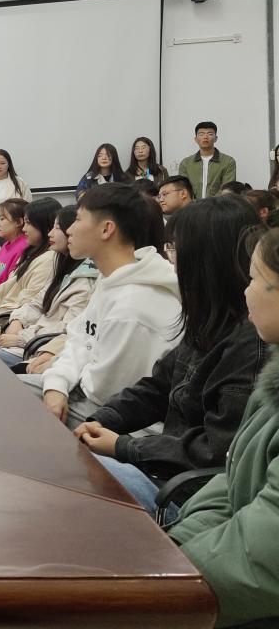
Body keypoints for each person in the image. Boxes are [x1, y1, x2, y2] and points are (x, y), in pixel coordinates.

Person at [73, 196, 266, 521]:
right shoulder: (209, 320)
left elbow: (216, 450)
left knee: (74, 476)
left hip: (187, 495)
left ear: (205, 259)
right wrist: (105, 419)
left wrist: (124, 447)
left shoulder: (250, 345)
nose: (171, 261)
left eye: (176, 250)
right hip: (163, 469)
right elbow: (157, 386)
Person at [168, 225, 279, 628]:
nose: (246, 291)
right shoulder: (272, 379)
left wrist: (159, 581)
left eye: (255, 279)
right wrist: (174, 547)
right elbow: (233, 483)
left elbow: (261, 557)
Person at [19, 183, 182, 428]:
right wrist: (57, 384)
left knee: (11, 400)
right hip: (92, 394)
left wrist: (57, 379)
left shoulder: (133, 305)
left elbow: (103, 391)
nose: (69, 230)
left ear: (106, 229)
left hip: (123, 420)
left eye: (77, 220)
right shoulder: (113, 278)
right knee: (6, 389)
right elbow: (79, 338)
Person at [0, 205, 99, 368]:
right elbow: (36, 302)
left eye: (57, 228)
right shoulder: (62, 267)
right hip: (31, 338)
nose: (50, 233)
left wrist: (21, 337)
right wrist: (18, 320)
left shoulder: (85, 278)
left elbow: (68, 329)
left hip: (39, 346)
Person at [0, 197, 61, 330]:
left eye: (28, 223)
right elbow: (3, 288)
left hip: (6, 322)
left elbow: (24, 303)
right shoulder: (29, 252)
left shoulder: (47, 260)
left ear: (44, 226)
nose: (24, 229)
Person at [177, 121, 237, 199]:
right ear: (196, 139)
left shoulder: (228, 161)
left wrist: (210, 204)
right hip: (193, 205)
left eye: (210, 134)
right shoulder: (185, 163)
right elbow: (183, 189)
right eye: (201, 134)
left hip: (218, 205)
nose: (205, 137)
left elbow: (228, 189)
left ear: (216, 139)